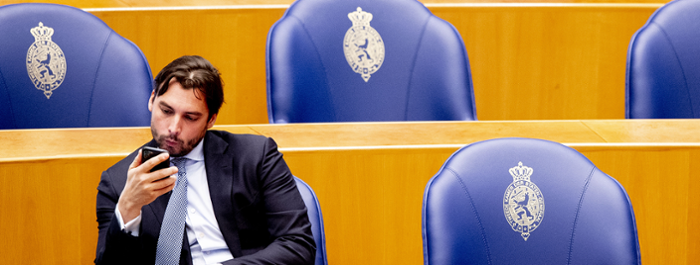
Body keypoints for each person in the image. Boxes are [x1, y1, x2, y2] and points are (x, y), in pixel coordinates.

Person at [95, 55, 315, 265]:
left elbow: (297, 245)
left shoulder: (255, 156)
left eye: (190, 117)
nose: (174, 128)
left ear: (211, 119)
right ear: (152, 100)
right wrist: (129, 206)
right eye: (166, 110)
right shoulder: (117, 182)